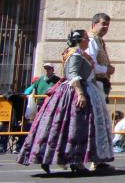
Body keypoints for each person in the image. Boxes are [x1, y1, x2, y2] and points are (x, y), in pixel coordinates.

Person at [18, 29, 114, 174]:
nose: (88, 41)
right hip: (76, 92)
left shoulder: (80, 54)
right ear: (80, 40)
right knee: (76, 127)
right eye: (87, 38)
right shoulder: (74, 54)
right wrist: (80, 93)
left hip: (86, 90)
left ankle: (83, 160)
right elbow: (72, 74)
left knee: (77, 127)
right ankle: (74, 161)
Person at [86, 12, 114, 98]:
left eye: (107, 24)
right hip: (93, 84)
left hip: (100, 84)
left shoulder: (99, 40)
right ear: (94, 24)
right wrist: (106, 69)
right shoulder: (91, 40)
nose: (106, 27)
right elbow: (90, 64)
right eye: (103, 24)